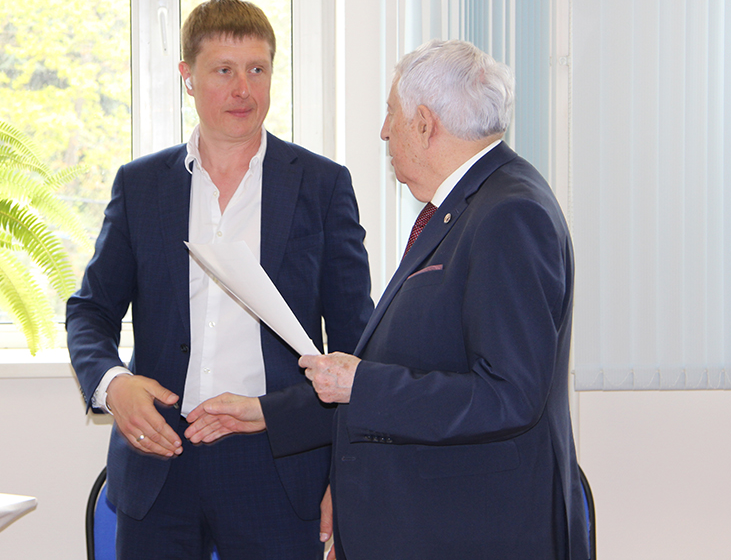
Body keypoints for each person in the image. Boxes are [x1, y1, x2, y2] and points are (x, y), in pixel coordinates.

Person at [193, 39, 588, 559]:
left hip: (478, 533)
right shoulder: (466, 206)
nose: (384, 131)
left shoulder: (509, 214)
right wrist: (270, 412)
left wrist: (360, 381)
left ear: (423, 123)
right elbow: (419, 366)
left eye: (391, 113)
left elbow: (508, 396)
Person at [66, 0, 373, 560]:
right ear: (188, 77)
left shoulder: (322, 185)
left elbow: (356, 341)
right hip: (160, 459)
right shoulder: (141, 186)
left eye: (257, 70)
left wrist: (345, 474)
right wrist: (113, 386)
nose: (244, 90)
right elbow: (91, 311)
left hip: (279, 465)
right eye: (224, 71)